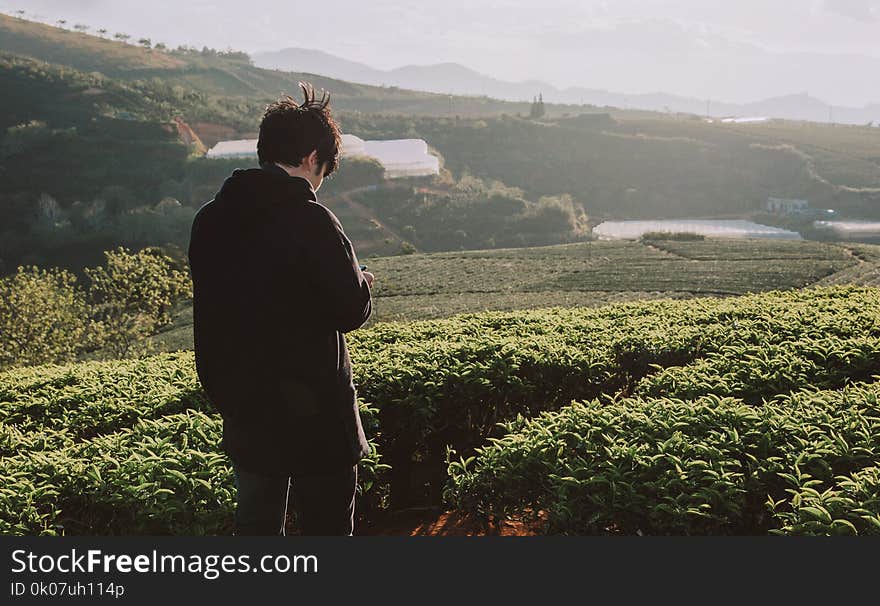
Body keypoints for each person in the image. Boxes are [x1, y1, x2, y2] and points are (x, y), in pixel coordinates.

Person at [187, 82, 374, 536]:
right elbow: (349, 308)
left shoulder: (211, 219)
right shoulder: (312, 219)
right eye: (324, 169)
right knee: (327, 528)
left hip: (246, 404)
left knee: (255, 526)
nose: (320, 180)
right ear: (313, 158)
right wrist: (362, 283)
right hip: (317, 416)